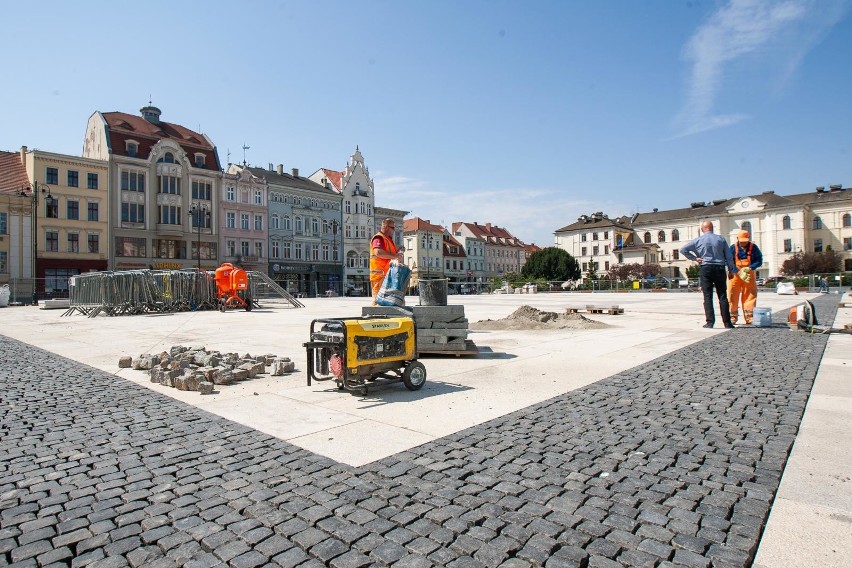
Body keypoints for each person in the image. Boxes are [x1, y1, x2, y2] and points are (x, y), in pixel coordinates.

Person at [679, 221, 737, 329]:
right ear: (712, 228)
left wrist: (695, 258)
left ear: (702, 230)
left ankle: (710, 322)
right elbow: (729, 256)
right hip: (720, 268)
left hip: (706, 268)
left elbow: (683, 249)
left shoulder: (698, 240)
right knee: (723, 296)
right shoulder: (721, 239)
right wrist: (731, 270)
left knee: (707, 296)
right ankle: (727, 323)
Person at [727, 230, 763, 325]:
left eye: (745, 241)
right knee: (732, 295)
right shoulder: (732, 248)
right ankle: (732, 317)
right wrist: (737, 271)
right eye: (742, 241)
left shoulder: (753, 248)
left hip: (748, 274)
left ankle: (749, 317)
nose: (743, 243)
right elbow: (729, 262)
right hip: (735, 275)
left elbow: (759, 260)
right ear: (737, 239)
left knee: (750, 295)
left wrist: (749, 268)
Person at [369, 218, 403, 304]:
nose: (394, 230)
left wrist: (398, 251)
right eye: (393, 228)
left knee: (388, 302)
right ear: (386, 227)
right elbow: (378, 252)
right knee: (377, 301)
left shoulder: (388, 240)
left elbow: (390, 254)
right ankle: (375, 315)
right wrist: (395, 255)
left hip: (388, 275)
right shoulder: (379, 238)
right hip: (380, 275)